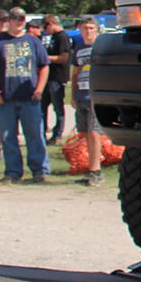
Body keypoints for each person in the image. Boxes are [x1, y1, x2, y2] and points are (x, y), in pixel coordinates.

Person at [0, 7, 50, 184]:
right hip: (6, 98)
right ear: (9, 21)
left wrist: (39, 89)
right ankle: (12, 171)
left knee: (35, 136)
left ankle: (39, 170)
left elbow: (44, 66)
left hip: (30, 98)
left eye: (22, 19)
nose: (19, 22)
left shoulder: (33, 41)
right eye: (15, 19)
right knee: (8, 137)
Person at [71, 16, 105, 186]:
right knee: (85, 134)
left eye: (92, 28)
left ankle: (96, 170)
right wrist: (73, 95)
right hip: (81, 95)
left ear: (97, 29)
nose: (88, 31)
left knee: (94, 133)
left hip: (94, 97)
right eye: (85, 28)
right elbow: (75, 73)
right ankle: (90, 168)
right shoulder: (78, 49)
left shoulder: (100, 48)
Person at [40, 14, 74, 143]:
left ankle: (58, 134)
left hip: (58, 77)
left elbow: (63, 58)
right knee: (43, 106)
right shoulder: (54, 37)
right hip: (49, 76)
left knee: (58, 107)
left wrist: (45, 57)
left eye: (45, 28)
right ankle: (42, 133)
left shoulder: (62, 37)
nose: (45, 31)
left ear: (50, 24)